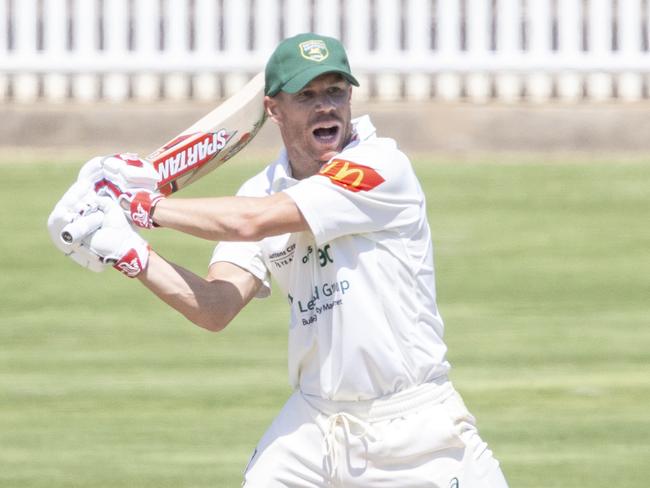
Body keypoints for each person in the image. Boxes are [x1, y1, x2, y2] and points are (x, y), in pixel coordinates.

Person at [48, 33, 509, 487]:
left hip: (413, 430)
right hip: (315, 425)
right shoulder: (259, 189)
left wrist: (141, 207)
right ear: (273, 109)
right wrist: (128, 251)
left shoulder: (380, 167)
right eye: (306, 95)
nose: (326, 106)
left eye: (335, 91)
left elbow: (253, 222)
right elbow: (215, 307)